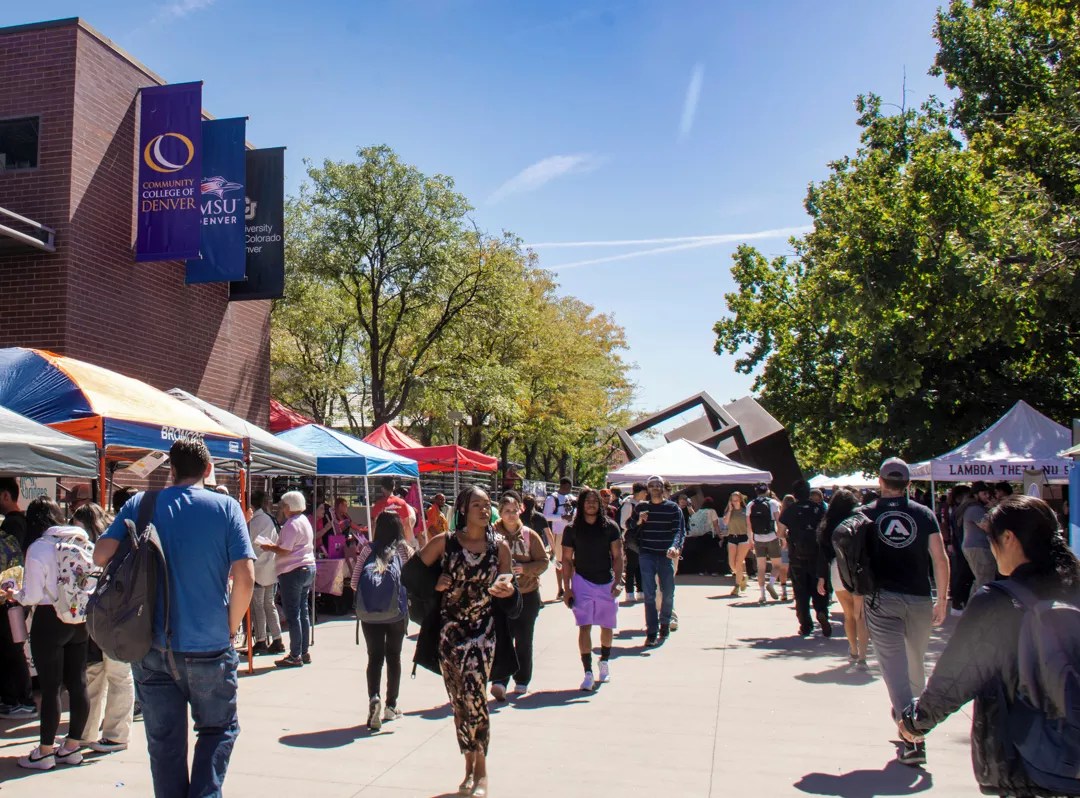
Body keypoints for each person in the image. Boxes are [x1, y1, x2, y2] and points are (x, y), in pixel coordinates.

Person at [94, 439, 254, 796]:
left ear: (172, 470)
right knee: (217, 730)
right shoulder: (226, 507)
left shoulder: (141, 503)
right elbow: (245, 577)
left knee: (164, 743)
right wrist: (230, 625)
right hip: (209, 643)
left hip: (150, 643)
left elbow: (100, 555)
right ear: (208, 470)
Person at [900, 495, 1080, 795]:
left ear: (1008, 538)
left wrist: (916, 722)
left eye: (992, 540)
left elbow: (957, 675)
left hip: (1025, 758)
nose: (991, 550)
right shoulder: (1074, 588)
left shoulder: (999, 601)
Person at [415, 486, 517, 797]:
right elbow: (412, 576)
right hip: (449, 635)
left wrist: (508, 591)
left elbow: (510, 590)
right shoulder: (444, 543)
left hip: (483, 632)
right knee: (459, 702)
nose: (485, 510)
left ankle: (482, 769)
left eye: (488, 505)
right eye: (477, 505)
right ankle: (469, 763)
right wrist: (436, 583)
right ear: (463, 509)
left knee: (476, 694)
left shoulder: (499, 547)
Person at [859, 457, 949, 766]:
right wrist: (943, 599)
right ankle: (909, 718)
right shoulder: (923, 514)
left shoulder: (866, 515)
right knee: (915, 667)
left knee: (894, 671)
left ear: (880, 482)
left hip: (882, 599)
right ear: (908, 484)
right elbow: (940, 558)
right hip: (920, 599)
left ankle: (913, 737)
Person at [2, 497, 92, 770]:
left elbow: (30, 595)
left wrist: (12, 594)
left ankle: (44, 751)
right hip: (79, 616)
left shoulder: (39, 548)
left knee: (51, 687)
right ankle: (73, 747)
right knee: (78, 682)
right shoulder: (82, 540)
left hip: (48, 618)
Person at [72, 503, 134, 754]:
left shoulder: (97, 546)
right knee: (107, 673)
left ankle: (97, 733)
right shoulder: (119, 540)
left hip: (102, 616)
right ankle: (111, 733)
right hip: (114, 615)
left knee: (99, 674)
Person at [350, 511, 413, 730]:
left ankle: (373, 697)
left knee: (374, 657)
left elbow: (355, 582)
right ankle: (391, 706)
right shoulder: (404, 549)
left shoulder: (367, 548)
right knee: (394, 657)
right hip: (396, 612)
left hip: (370, 613)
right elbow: (410, 580)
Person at [563, 488, 623, 690]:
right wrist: (567, 588)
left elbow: (617, 556)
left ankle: (604, 661)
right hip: (582, 581)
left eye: (594, 501)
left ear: (600, 504)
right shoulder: (572, 529)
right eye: (587, 501)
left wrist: (617, 581)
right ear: (581, 504)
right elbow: (566, 559)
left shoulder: (610, 527)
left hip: (606, 581)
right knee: (584, 625)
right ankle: (587, 671)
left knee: (607, 625)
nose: (591, 504)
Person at [490, 492, 548, 697]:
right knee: (502, 639)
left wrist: (525, 568)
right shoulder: (491, 533)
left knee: (524, 639)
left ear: (520, 511)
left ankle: (522, 679)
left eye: (515, 511)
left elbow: (543, 562)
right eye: (507, 511)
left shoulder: (529, 535)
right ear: (500, 513)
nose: (511, 515)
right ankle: (500, 680)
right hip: (500, 594)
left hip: (527, 593)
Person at [626, 475, 684, 646]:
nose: (655, 488)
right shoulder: (641, 507)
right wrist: (638, 520)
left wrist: (674, 546)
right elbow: (628, 526)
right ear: (648, 489)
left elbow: (679, 531)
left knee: (667, 592)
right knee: (649, 594)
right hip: (647, 554)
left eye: (658, 485)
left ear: (663, 487)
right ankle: (652, 631)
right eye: (652, 485)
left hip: (665, 554)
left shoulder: (673, 508)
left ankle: (664, 623)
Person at [259, 491, 316, 668]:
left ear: (289, 507)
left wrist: (269, 547)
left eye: (283, 505)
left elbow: (285, 550)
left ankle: (295, 654)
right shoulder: (304, 520)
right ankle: (303, 651)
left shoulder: (291, 524)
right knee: (302, 612)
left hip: (293, 570)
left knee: (293, 614)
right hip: (308, 568)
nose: (281, 509)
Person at [815, 489, 869, 665]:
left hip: (837, 568)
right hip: (858, 568)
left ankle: (853, 649)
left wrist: (821, 578)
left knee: (848, 615)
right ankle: (863, 655)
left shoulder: (827, 525)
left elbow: (823, 554)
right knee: (860, 614)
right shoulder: (859, 521)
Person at [0, 476, 36, 722]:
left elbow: (11, 565)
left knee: (10, 648)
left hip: (11, 598)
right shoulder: (21, 523)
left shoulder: (13, 525)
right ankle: (16, 699)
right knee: (11, 647)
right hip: (14, 598)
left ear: (5, 495)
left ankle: (21, 700)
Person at [778, 480, 829, 636]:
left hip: (797, 555)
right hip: (817, 555)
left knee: (800, 591)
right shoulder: (819, 509)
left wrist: (787, 537)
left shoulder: (789, 511)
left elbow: (780, 532)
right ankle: (821, 611)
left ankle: (805, 624)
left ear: (794, 494)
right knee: (819, 588)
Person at [247, 490, 284, 655]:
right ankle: (277, 639)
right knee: (269, 605)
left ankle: (261, 640)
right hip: (271, 567)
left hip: (258, 567)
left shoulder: (256, 521)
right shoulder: (270, 519)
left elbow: (252, 545)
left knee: (258, 606)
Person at [748, 483, 783, 604]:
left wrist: (750, 539)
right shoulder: (773, 503)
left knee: (761, 568)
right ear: (767, 491)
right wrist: (781, 537)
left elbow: (749, 524)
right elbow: (779, 521)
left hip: (758, 538)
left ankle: (762, 595)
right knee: (777, 565)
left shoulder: (751, 504)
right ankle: (771, 583)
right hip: (772, 537)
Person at [962, 481, 997, 597]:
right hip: (979, 548)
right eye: (984, 493)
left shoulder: (975, 507)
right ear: (976, 495)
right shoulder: (975, 509)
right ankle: (980, 610)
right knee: (984, 579)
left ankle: (973, 609)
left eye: (988, 494)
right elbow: (987, 526)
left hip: (976, 547)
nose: (987, 496)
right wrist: (994, 510)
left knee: (981, 579)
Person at [543, 477, 575, 600]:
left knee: (573, 562)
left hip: (572, 532)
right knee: (560, 562)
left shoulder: (572, 498)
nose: (568, 490)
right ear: (562, 486)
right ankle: (560, 588)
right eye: (566, 487)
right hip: (559, 532)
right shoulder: (552, 498)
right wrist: (562, 517)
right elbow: (546, 516)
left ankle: (572, 587)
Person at [947, 484, 976, 614]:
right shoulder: (958, 509)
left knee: (961, 573)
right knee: (963, 573)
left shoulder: (956, 509)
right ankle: (958, 603)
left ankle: (958, 602)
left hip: (960, 543)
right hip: (961, 543)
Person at [618, 483, 646, 602]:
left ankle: (640, 590)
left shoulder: (641, 504)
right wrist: (637, 523)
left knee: (640, 565)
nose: (646, 494)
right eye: (644, 492)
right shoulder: (628, 504)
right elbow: (623, 523)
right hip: (631, 538)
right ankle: (629, 592)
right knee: (631, 566)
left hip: (640, 538)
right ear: (639, 492)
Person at [683, 496, 721, 575]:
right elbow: (715, 524)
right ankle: (713, 570)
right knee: (712, 553)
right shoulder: (712, 511)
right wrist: (720, 535)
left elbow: (693, 517)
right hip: (709, 535)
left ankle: (702, 570)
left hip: (700, 535)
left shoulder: (700, 511)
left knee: (702, 553)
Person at [724, 492, 752, 596]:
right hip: (732, 537)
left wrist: (751, 539)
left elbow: (749, 526)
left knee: (739, 562)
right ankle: (742, 577)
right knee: (732, 564)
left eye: (736, 500)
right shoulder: (728, 511)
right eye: (732, 500)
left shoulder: (745, 511)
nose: (734, 502)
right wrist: (730, 510)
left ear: (740, 500)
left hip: (743, 538)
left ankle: (736, 586)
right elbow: (725, 522)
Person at [371, 477, 415, 543]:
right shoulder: (402, 503)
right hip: (399, 541)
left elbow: (373, 525)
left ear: (382, 488)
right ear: (394, 487)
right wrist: (409, 543)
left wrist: (373, 542)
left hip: (383, 542)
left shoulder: (378, 505)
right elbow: (407, 525)